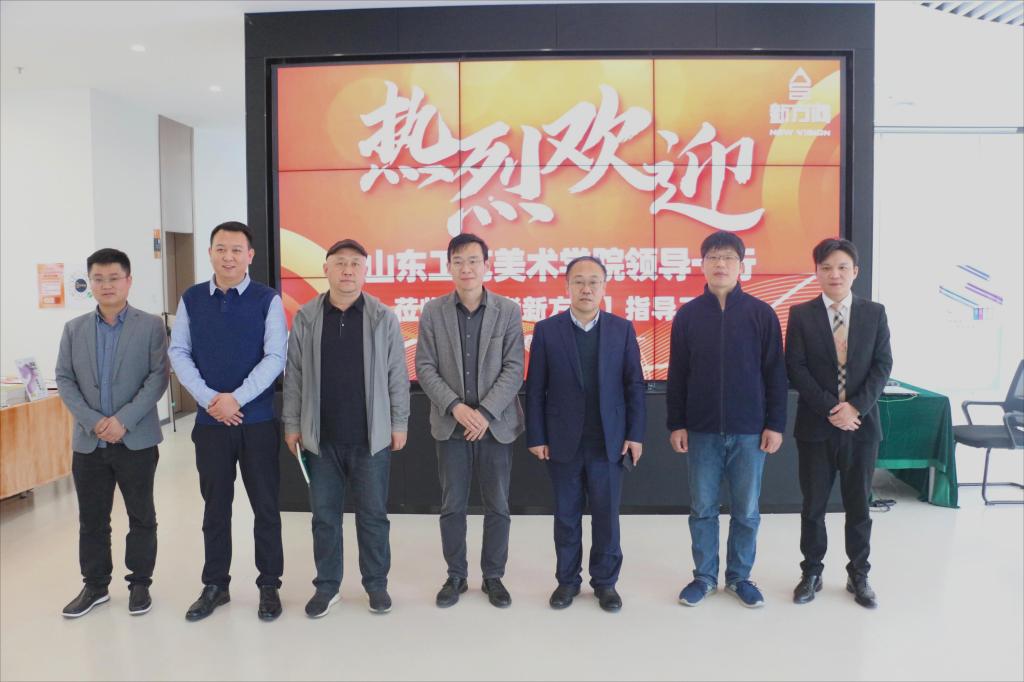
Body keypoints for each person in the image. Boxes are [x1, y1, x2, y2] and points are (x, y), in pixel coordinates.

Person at [282, 238, 410, 618]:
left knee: (373, 516)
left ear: (366, 271)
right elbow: (295, 375)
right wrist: (292, 423)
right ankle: (327, 586)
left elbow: (397, 374)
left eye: (355, 264)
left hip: (371, 437)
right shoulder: (307, 316)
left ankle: (376, 584)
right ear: (326, 269)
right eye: (340, 263)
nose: (347, 270)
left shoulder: (383, 317)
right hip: (320, 438)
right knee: (325, 517)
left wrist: (399, 422)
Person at [168, 221, 288, 622]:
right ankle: (215, 585)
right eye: (221, 249)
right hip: (210, 425)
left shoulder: (267, 299)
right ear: (210, 253)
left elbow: (275, 357)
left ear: (250, 255)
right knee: (215, 508)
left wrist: (236, 398)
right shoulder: (192, 299)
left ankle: (269, 585)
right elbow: (179, 352)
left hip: (257, 422)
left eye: (237, 250)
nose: (229, 257)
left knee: (265, 508)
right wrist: (210, 400)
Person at [666, 231, 787, 609]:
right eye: (714, 257)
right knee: (702, 509)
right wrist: (676, 423)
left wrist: (775, 424)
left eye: (729, 258)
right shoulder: (688, 315)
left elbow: (775, 374)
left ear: (741, 265)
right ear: (702, 265)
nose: (721, 264)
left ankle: (739, 577)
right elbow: (678, 374)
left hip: (750, 431)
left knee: (746, 511)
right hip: (701, 430)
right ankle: (703, 577)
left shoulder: (761, 314)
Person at [525, 256, 645, 612]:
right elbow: (536, 388)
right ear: (567, 286)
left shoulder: (622, 329)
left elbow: (634, 386)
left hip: (609, 440)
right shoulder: (548, 330)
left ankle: (605, 583)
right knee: (566, 516)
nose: (586, 288)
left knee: (607, 516)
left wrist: (635, 434)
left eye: (594, 281)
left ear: (604, 287)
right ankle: (567, 581)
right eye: (578, 281)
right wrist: (536, 436)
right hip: (562, 440)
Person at [55, 248, 169, 618]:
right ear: (90, 283)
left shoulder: (150, 326)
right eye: (99, 279)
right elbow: (64, 379)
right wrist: (93, 421)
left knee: (141, 515)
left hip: (135, 440)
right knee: (92, 519)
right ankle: (95, 585)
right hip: (89, 443)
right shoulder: (74, 329)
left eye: (114, 278)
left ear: (128, 281)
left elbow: (158, 377)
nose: (106, 285)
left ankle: (140, 584)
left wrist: (123, 421)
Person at [415, 233, 525, 609]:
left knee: (498, 505)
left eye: (473, 260)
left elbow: (514, 368)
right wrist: (456, 407)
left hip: (496, 424)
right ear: (449, 267)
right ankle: (456, 576)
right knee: (452, 505)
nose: (466, 268)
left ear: (486, 266)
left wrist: (484, 413)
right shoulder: (433, 311)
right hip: (452, 424)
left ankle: (493, 576)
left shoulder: (507, 310)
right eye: (458, 261)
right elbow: (425, 366)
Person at [786, 238, 892, 609]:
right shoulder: (801, 314)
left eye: (842, 267)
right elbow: (795, 367)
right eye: (827, 267)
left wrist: (855, 408)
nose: (835, 274)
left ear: (855, 272)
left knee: (859, 506)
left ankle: (858, 574)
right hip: (816, 427)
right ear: (816, 272)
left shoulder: (874, 313)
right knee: (813, 506)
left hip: (861, 428)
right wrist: (833, 408)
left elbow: (882, 365)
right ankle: (811, 572)